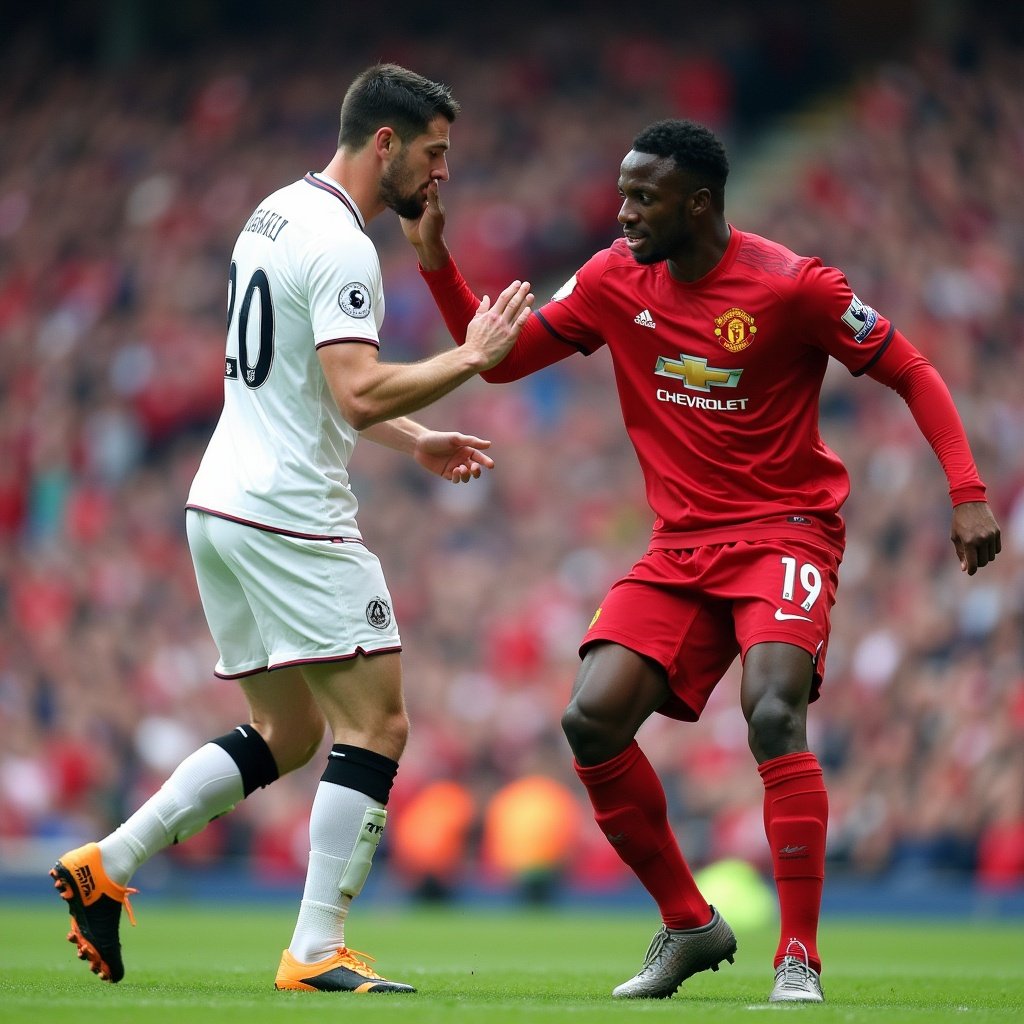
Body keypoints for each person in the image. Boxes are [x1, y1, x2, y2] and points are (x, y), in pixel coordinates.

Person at [403, 118, 1001, 1002]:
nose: (624, 212)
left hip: (785, 531)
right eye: (622, 193)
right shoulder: (614, 277)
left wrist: (966, 490)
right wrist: (436, 259)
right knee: (590, 721)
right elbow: (501, 363)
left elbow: (910, 366)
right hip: (679, 547)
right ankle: (690, 924)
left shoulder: (793, 286)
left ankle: (797, 956)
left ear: (700, 202)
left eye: (644, 197)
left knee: (771, 713)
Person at [49, 63, 533, 994]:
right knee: (379, 724)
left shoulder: (272, 213)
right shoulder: (345, 246)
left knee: (287, 730)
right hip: (289, 515)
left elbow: (305, 385)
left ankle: (106, 865)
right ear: (383, 143)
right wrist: (470, 356)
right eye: (433, 156)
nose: (442, 177)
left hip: (219, 505)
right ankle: (315, 948)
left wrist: (419, 437)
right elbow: (352, 391)